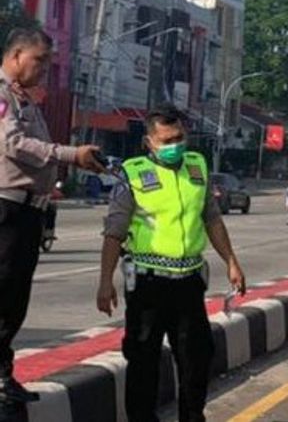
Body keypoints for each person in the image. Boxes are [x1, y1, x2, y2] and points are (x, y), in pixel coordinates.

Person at [96, 105, 246, 422]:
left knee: (197, 357)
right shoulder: (133, 173)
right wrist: (104, 280)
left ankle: (192, 417)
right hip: (149, 285)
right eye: (166, 140)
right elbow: (114, 233)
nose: (174, 145)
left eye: (179, 137)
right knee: (143, 360)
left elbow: (212, 219)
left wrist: (231, 261)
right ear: (149, 142)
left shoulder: (197, 166)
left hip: (189, 282)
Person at [0, 28, 103, 406]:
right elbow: (10, 143)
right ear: (15, 56)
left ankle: (3, 374)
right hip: (7, 208)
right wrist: (67, 154)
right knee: (4, 291)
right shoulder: (2, 96)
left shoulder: (24, 99)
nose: (44, 68)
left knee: (15, 296)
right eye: (38, 60)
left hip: (28, 211)